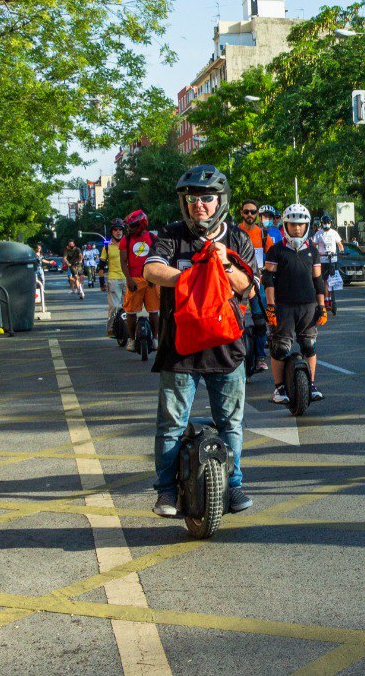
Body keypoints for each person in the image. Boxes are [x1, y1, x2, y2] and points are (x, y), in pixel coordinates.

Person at [143, 165, 255, 516]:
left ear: (220, 201)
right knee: (171, 425)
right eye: (192, 199)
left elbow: (248, 289)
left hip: (226, 349)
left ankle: (234, 486)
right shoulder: (171, 235)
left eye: (207, 198)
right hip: (180, 350)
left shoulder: (238, 239)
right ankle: (166, 491)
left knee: (231, 424)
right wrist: (193, 277)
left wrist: (225, 265)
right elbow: (151, 269)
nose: (199, 205)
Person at [263, 203, 327, 404]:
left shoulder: (313, 251)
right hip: (283, 305)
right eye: (293, 224)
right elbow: (268, 279)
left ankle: (311, 384)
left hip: (308, 306)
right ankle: (279, 388)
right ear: (286, 225)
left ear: (306, 225)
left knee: (309, 345)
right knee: (280, 348)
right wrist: (271, 305)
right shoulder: (276, 250)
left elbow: (318, 280)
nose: (297, 228)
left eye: (301, 224)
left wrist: (322, 306)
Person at [237, 200, 273, 373]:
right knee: (236, 320)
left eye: (252, 212)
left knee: (260, 321)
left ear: (257, 214)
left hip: (257, 283)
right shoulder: (234, 233)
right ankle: (235, 356)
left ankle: (260, 357)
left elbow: (273, 258)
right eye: (246, 212)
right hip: (237, 282)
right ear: (241, 213)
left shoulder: (263, 235)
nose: (249, 215)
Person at [119, 209, 160, 352]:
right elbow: (123, 262)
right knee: (131, 312)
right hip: (134, 280)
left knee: (154, 311)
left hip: (151, 280)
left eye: (132, 226)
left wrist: (154, 276)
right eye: (128, 226)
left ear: (141, 224)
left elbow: (158, 259)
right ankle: (131, 340)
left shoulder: (153, 238)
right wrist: (129, 280)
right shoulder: (126, 240)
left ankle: (155, 339)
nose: (129, 229)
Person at [103, 218, 127, 336]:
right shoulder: (107, 246)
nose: (118, 232)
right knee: (114, 306)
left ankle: (131, 328)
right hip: (113, 279)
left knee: (131, 306)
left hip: (128, 278)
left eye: (120, 230)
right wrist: (101, 282)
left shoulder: (128, 243)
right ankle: (111, 327)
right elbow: (101, 265)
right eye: (115, 230)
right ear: (112, 232)